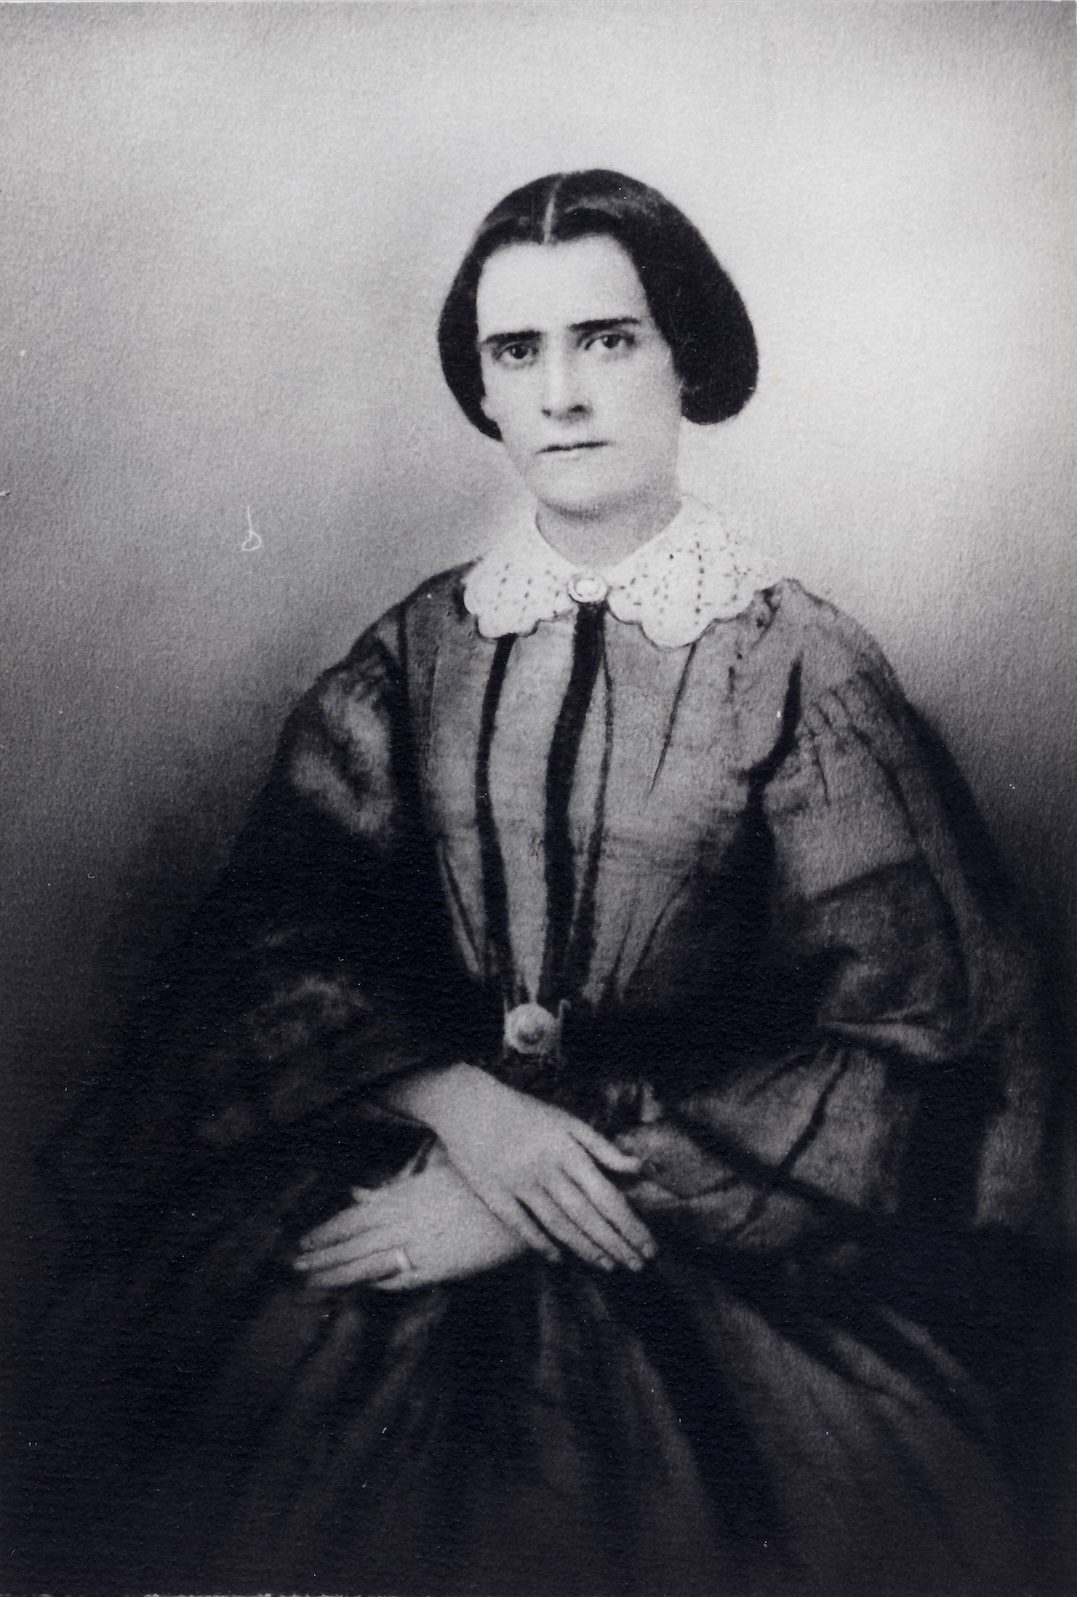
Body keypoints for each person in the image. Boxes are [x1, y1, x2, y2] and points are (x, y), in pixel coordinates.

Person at [24, 170, 1055, 1596]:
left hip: (707, 1235)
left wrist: (535, 1193)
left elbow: (921, 1042)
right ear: (484, 390)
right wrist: (464, 1110)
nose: (561, 393)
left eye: (607, 339)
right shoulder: (422, 651)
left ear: (688, 358)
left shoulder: (802, 672)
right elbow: (273, 932)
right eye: (518, 352)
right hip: (409, 1157)